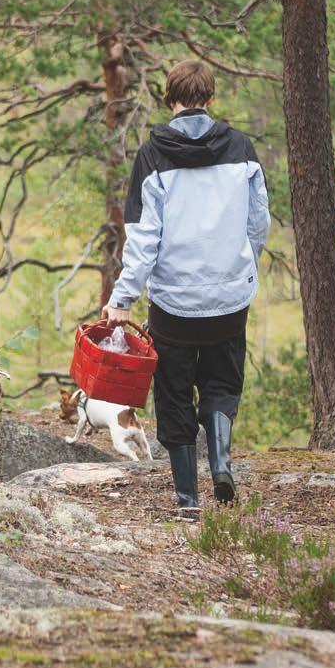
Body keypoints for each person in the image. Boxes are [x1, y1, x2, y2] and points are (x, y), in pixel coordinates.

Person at [102, 59, 271, 513]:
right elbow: (259, 224)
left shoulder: (153, 156)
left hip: (173, 305)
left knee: (174, 392)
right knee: (222, 381)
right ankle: (220, 463)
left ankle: (187, 500)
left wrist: (122, 299)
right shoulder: (241, 148)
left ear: (169, 100)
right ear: (210, 99)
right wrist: (240, 270)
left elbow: (142, 240)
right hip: (229, 300)